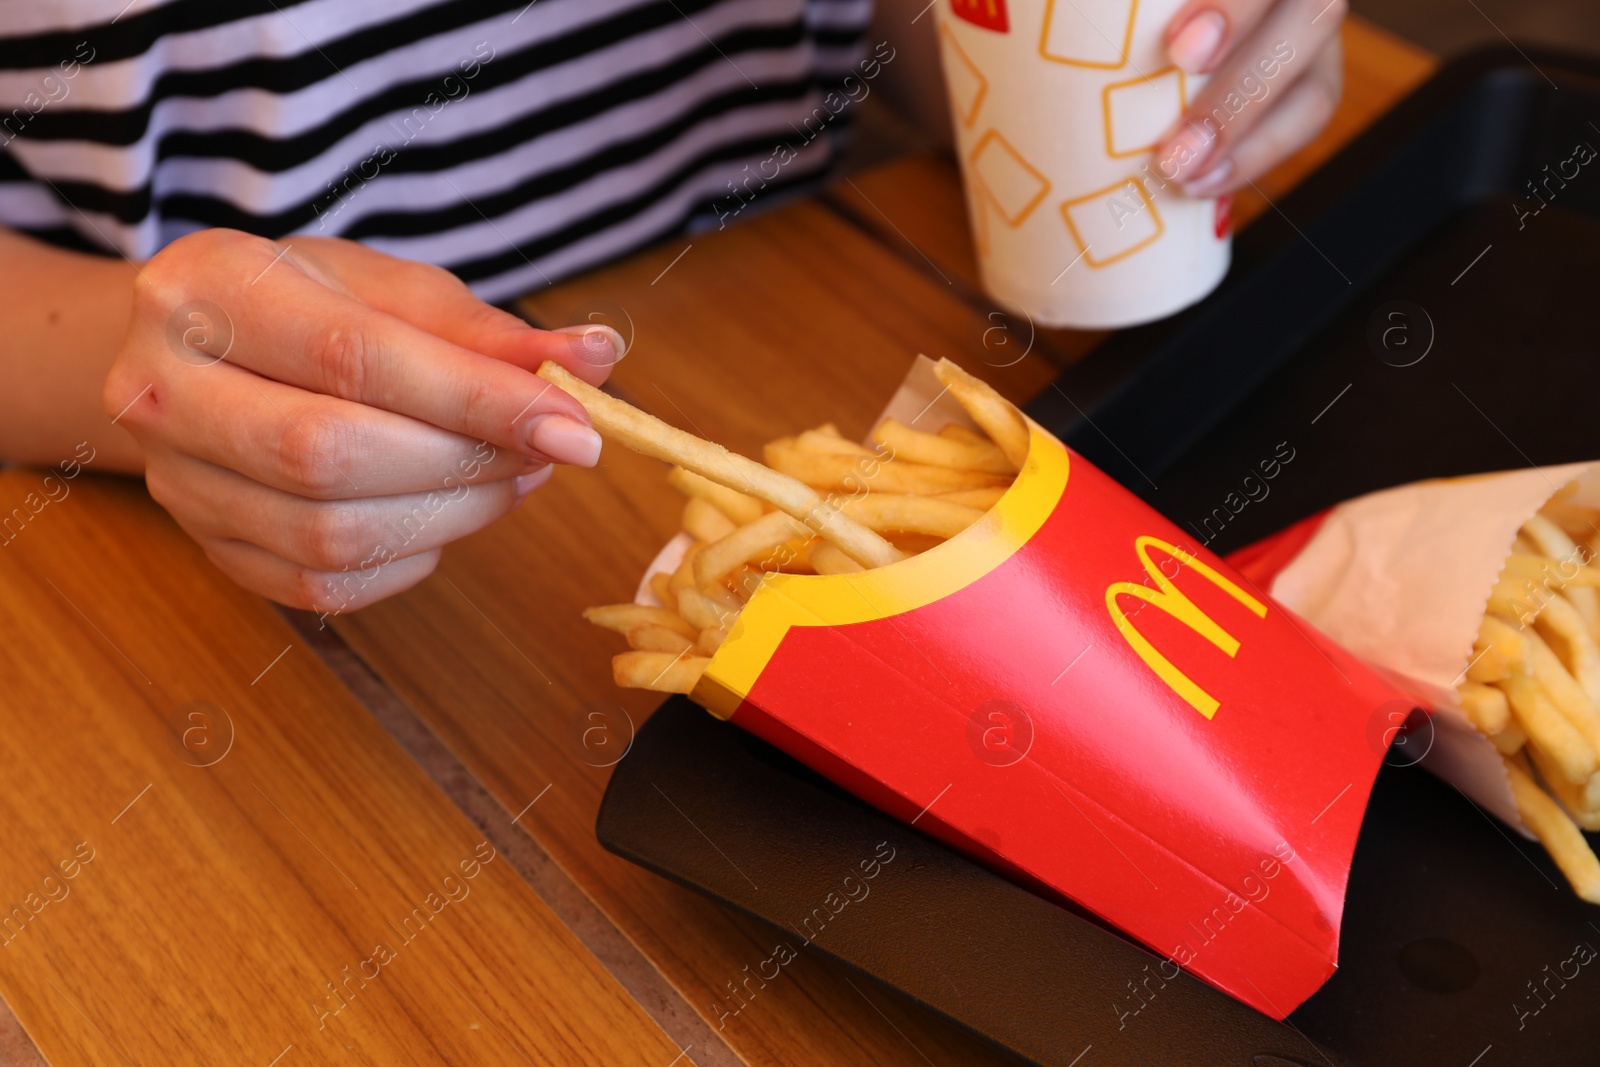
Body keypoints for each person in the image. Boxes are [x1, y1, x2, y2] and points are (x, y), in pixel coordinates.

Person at [0, 0, 1344, 613]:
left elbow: (916, 40)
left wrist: (1144, 65)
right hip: (141, 567)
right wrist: (123, 367)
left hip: (831, 293)